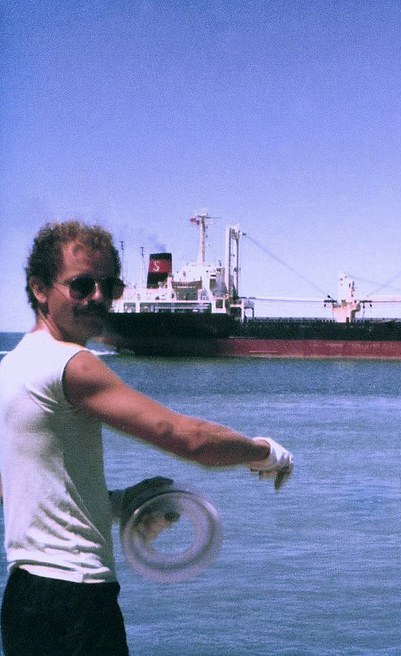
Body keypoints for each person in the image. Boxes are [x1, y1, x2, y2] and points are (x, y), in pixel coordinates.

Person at [0, 220, 294, 655]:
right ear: (40, 289)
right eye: (81, 285)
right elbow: (185, 437)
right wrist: (265, 452)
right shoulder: (73, 363)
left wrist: (122, 505)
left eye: (109, 286)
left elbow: (18, 490)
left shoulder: (11, 367)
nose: (97, 297)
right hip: (77, 601)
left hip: (24, 598)